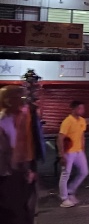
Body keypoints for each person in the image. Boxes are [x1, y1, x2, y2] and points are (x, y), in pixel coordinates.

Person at [0, 85, 41, 224]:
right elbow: (8, 150)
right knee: (14, 213)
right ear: (8, 100)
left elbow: (22, 145)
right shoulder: (3, 121)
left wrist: (27, 168)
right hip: (6, 175)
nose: (22, 101)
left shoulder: (17, 117)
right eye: (19, 98)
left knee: (24, 208)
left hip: (17, 172)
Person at [57, 100, 89, 208]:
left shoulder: (82, 120)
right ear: (74, 109)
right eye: (80, 108)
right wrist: (61, 155)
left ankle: (70, 191)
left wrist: (83, 149)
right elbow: (60, 138)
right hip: (68, 152)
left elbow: (82, 136)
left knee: (84, 172)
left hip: (79, 151)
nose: (82, 110)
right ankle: (64, 199)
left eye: (83, 108)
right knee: (65, 174)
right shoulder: (67, 121)